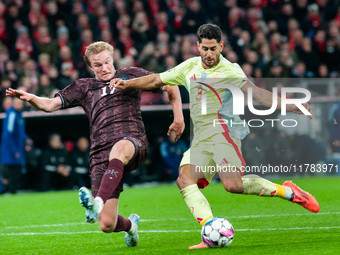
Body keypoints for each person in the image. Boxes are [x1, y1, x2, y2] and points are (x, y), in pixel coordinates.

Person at [111, 24, 319, 249]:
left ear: (221, 46)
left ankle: (289, 192)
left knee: (233, 185)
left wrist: (290, 105)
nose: (209, 54)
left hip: (224, 135)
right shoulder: (188, 67)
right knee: (184, 180)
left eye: (213, 48)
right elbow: (155, 80)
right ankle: (209, 229)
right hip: (201, 139)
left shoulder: (230, 71)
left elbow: (257, 93)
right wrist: (127, 84)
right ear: (197, 46)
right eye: (205, 49)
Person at [6, 41, 184, 247]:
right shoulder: (84, 87)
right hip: (100, 153)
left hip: (132, 142)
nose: (105, 68)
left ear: (113, 59)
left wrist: (178, 118)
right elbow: (50, 105)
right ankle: (130, 226)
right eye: (98, 65)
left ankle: (95, 202)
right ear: (91, 67)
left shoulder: (131, 74)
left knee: (119, 148)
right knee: (107, 224)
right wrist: (30, 98)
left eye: (107, 62)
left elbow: (170, 83)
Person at [0, 97, 28, 194]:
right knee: (12, 172)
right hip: (11, 150)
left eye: (21, 103)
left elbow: (20, 133)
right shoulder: (12, 115)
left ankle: (13, 191)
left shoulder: (19, 115)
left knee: (17, 171)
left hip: (18, 149)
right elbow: (8, 135)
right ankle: (11, 191)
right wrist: (14, 150)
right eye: (17, 102)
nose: (20, 104)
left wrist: (27, 139)